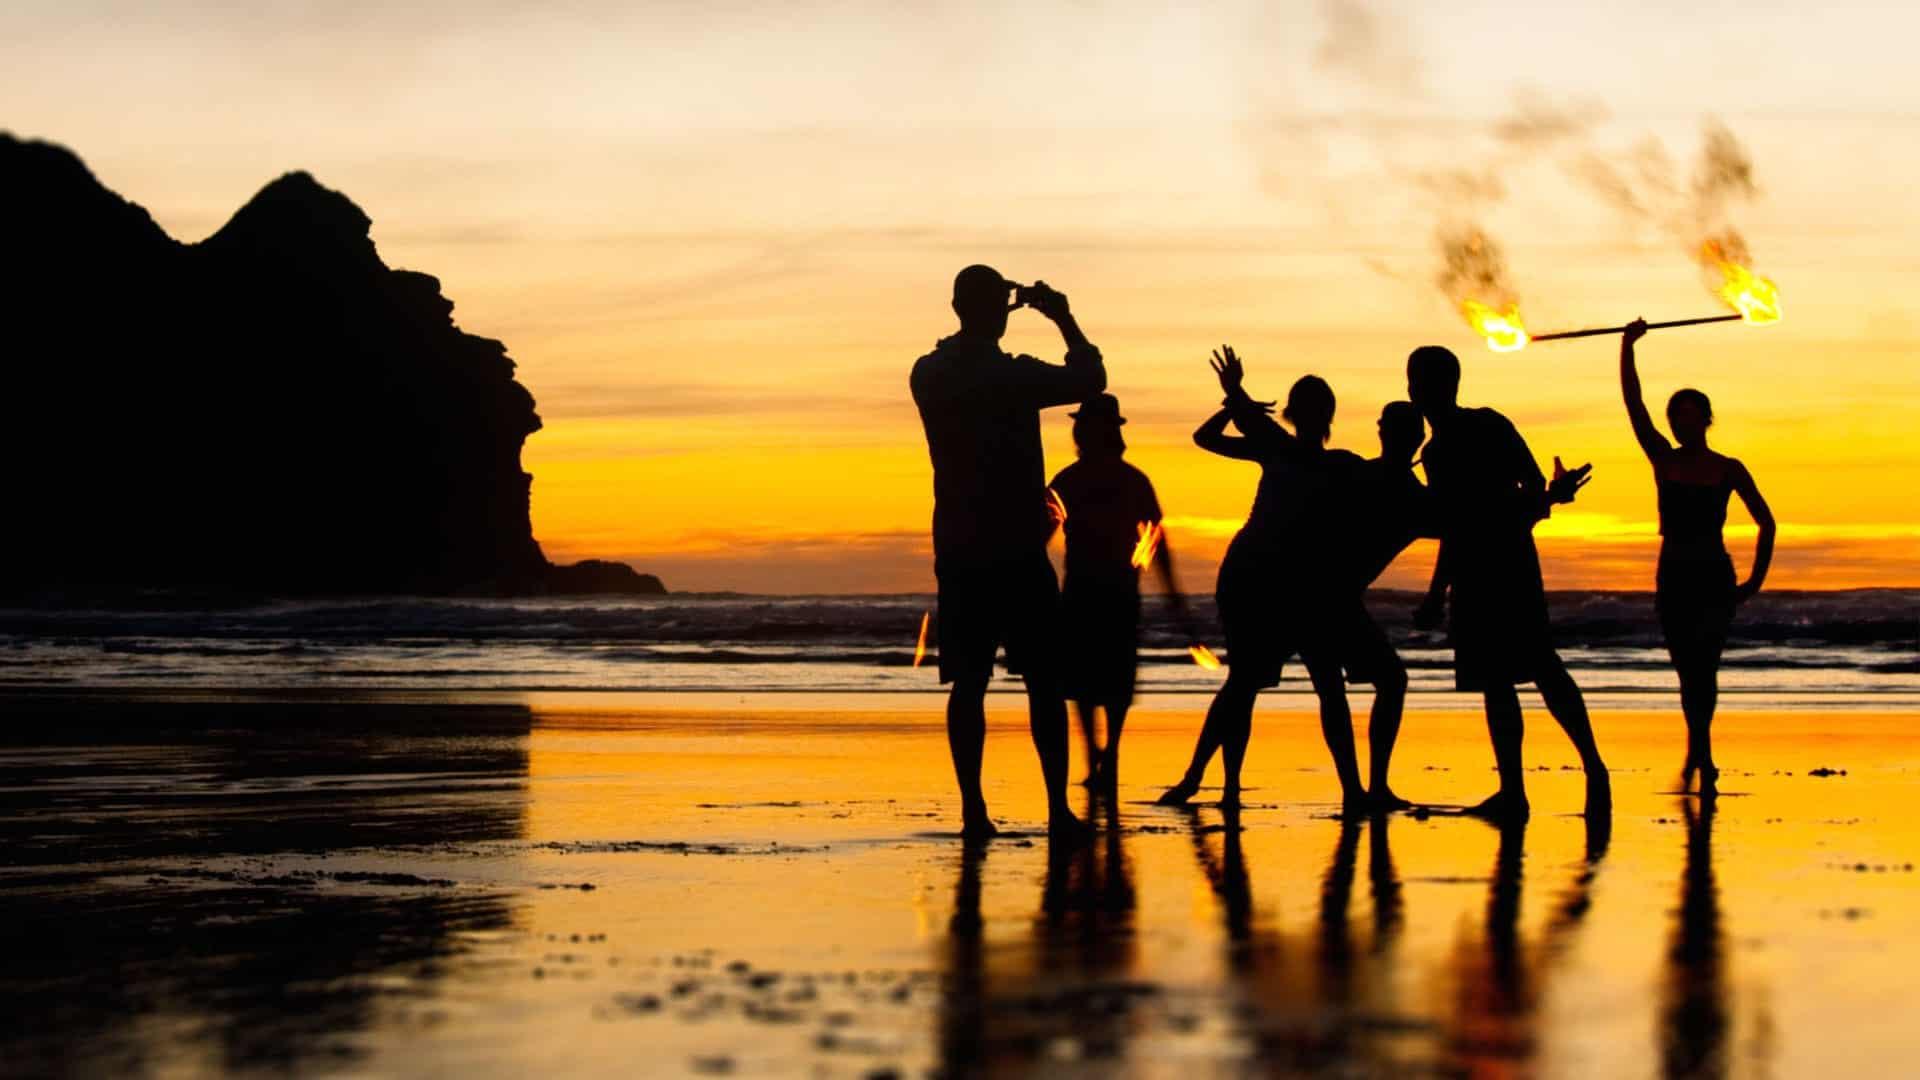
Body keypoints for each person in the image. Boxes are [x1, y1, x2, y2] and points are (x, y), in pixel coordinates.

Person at [911, 264, 1105, 840]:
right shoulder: (1013, 376)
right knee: (1043, 682)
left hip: (962, 546)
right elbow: (1091, 378)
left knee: (969, 684)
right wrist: (1062, 316)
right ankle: (1056, 809)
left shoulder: (928, 373)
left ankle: (974, 811)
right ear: (999, 310)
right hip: (1018, 549)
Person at [1155, 347, 1369, 814]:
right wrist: (1234, 401)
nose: (1311, 418)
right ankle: (1208, 782)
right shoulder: (1290, 450)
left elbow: (1210, 435)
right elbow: (1205, 437)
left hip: (1292, 584)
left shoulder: (1327, 461)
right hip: (1254, 580)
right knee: (1253, 684)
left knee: (1298, 684)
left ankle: (1350, 791)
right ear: (1303, 415)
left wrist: (1237, 399)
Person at [1407, 345, 1606, 823]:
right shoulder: (1468, 435)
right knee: (1517, 675)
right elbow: (1528, 494)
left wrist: (1438, 592)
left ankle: (1562, 778)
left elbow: (1458, 523)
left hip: (1493, 566)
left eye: (1418, 380)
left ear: (1432, 388)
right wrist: (1548, 497)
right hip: (1503, 560)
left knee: (1527, 671)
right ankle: (1530, 786)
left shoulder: (1454, 443)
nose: (1414, 389)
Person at [1619, 318, 1775, 794]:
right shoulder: (1663, 459)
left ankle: (1701, 753)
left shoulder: (1728, 468)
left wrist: (1753, 583)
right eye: (1676, 417)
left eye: (1691, 415)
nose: (1682, 423)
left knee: (1705, 667)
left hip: (1713, 575)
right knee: (1686, 667)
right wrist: (1628, 347)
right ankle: (1699, 748)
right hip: (1674, 576)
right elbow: (1633, 403)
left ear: (1707, 418)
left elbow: (1767, 523)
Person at [1046, 393, 1186, 791]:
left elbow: (1155, 540)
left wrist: (1173, 592)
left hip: (1099, 590)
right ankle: (1100, 755)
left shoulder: (1084, 480)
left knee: (1101, 680)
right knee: (1102, 679)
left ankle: (1105, 754)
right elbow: (1040, 533)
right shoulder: (1091, 480)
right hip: (1099, 590)